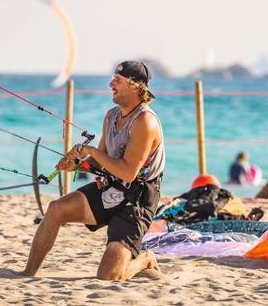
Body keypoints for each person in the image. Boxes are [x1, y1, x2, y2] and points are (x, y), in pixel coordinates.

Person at [23, 61, 165, 280]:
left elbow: (128, 172)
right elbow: (101, 162)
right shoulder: (111, 116)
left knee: (108, 276)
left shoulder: (145, 122)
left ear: (136, 86)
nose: (111, 84)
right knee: (55, 208)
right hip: (109, 187)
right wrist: (78, 165)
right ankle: (26, 274)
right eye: (113, 79)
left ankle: (145, 259)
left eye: (118, 81)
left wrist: (89, 150)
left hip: (137, 199)